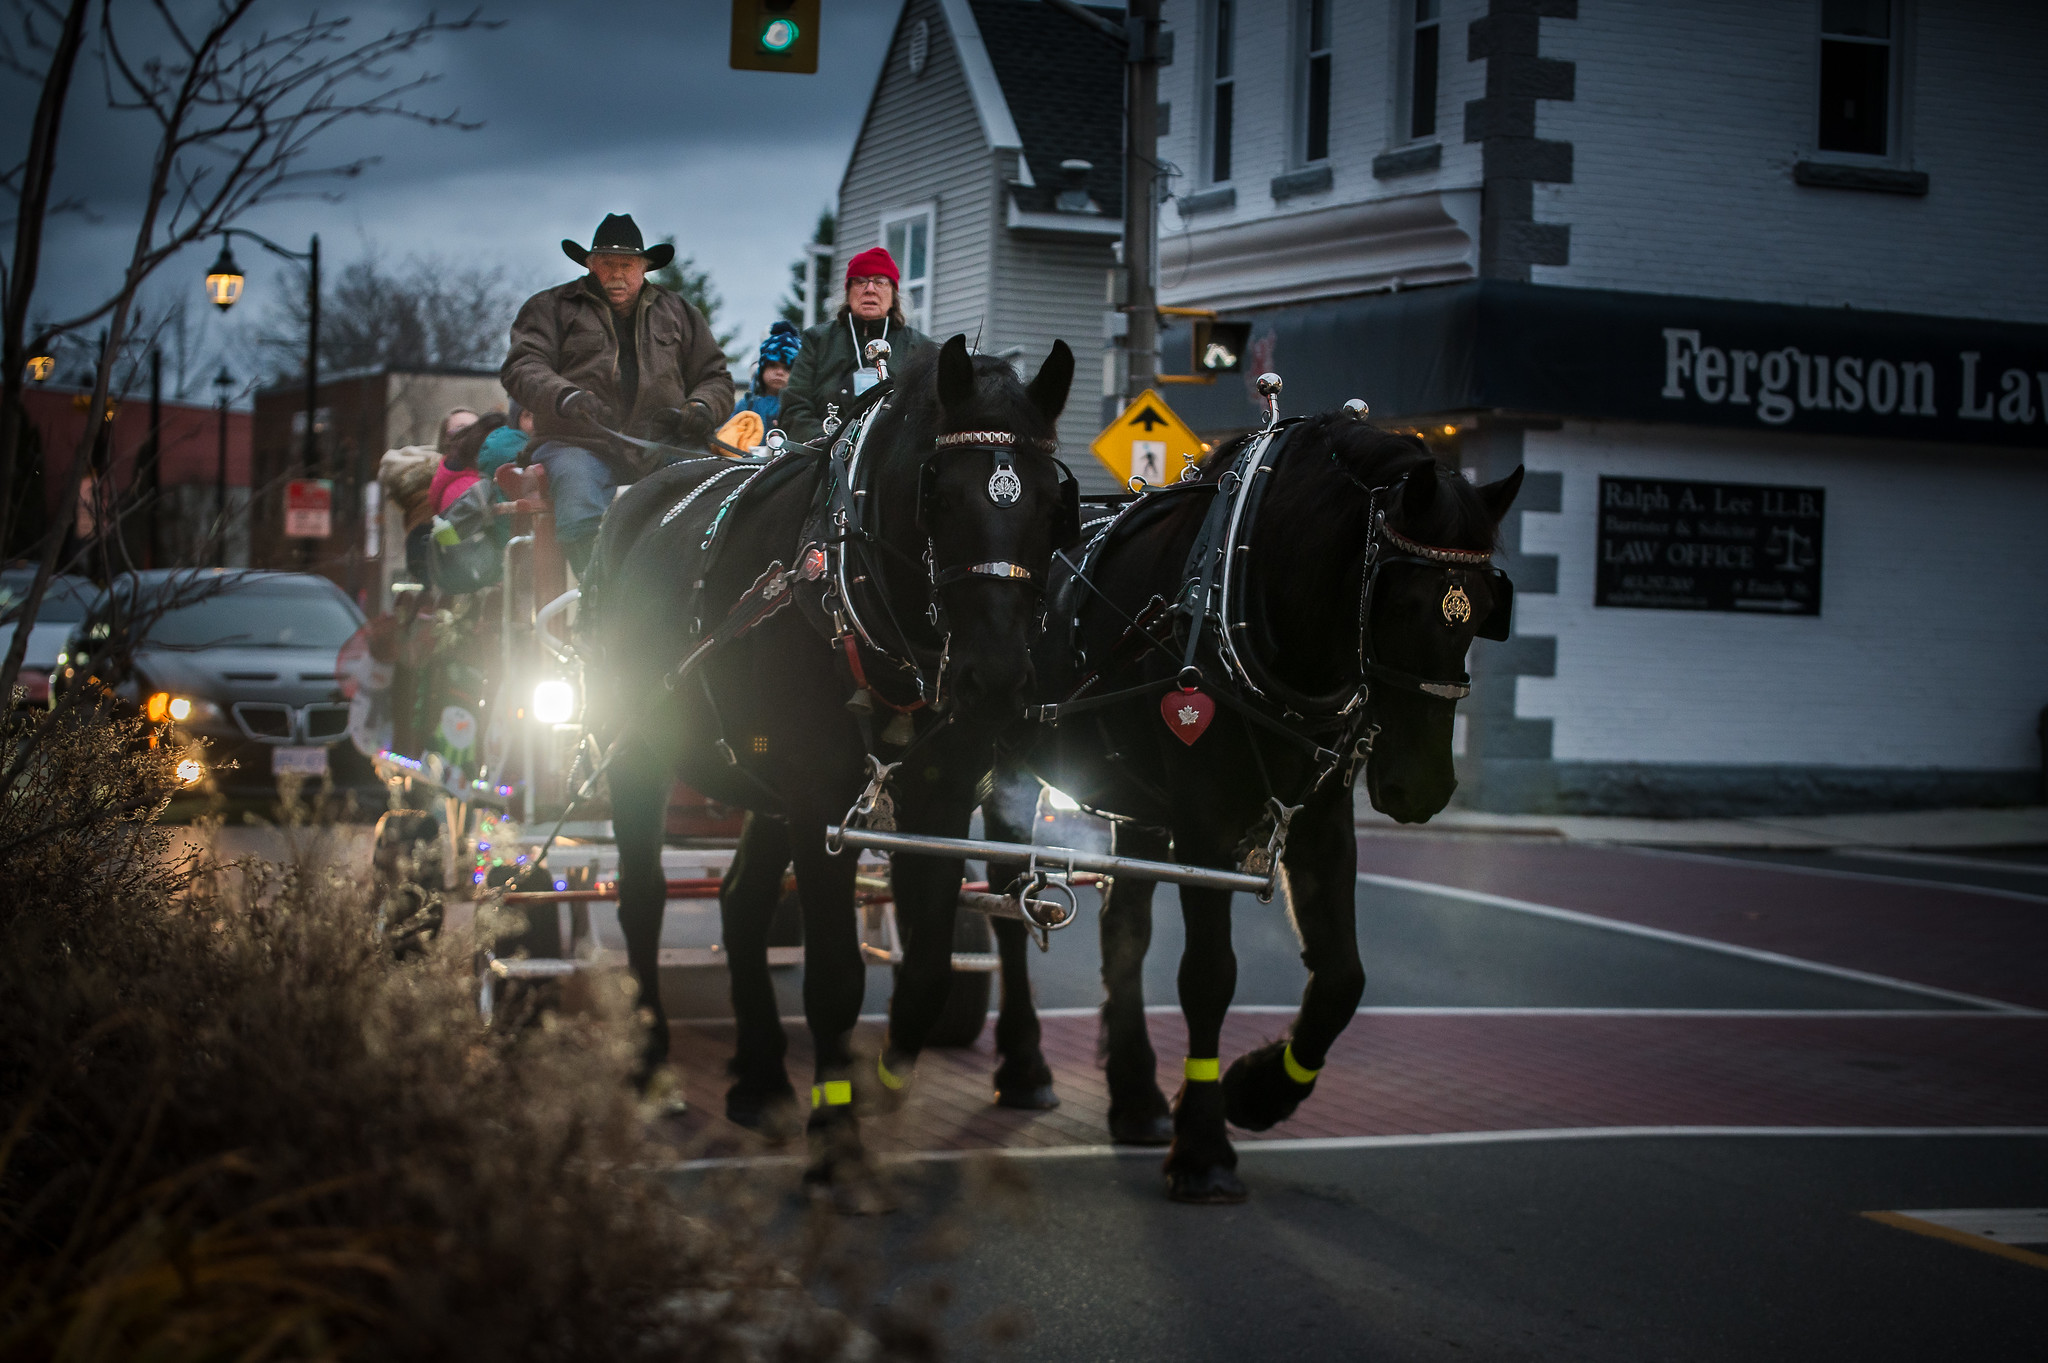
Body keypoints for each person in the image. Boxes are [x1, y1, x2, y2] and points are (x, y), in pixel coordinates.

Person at [501, 213, 735, 573]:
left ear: (644, 269)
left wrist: (701, 408)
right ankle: (596, 597)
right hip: (577, 440)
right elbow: (522, 366)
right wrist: (565, 396)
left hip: (663, 443)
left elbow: (715, 376)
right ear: (591, 266)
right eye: (607, 265)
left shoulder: (680, 313)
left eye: (626, 265)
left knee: (709, 487)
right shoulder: (551, 308)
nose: (616, 275)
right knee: (579, 500)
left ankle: (691, 592)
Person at [778, 247, 933, 443]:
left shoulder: (920, 347)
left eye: (880, 282)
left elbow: (930, 413)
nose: (870, 289)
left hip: (893, 458)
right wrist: (825, 443)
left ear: (894, 294)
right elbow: (793, 406)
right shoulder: (817, 340)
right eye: (860, 281)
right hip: (822, 454)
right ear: (847, 291)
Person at [733, 320, 801, 422]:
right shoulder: (746, 405)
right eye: (773, 365)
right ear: (761, 369)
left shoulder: (800, 408)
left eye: (787, 368)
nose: (779, 372)